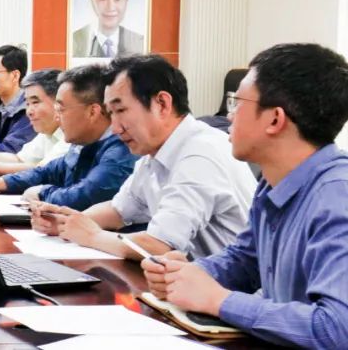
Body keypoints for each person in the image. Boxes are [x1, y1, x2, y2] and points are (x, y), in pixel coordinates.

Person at [142, 43, 348, 348]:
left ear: (275, 119)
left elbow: (336, 329)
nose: (229, 115)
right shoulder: (274, 179)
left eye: (237, 103)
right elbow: (245, 260)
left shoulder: (337, 195)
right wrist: (186, 274)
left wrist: (219, 301)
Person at [32, 55, 255, 260]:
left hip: (228, 286)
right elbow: (119, 210)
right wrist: (69, 223)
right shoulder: (156, 152)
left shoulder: (199, 155)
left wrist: (91, 235)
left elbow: (159, 245)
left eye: (121, 111)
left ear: (162, 104)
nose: (115, 128)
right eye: (110, 113)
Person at [0, 64, 136, 210]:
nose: (57, 117)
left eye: (61, 109)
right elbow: (47, 171)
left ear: (93, 112)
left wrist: (43, 192)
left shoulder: (121, 149)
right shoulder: (83, 142)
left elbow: (87, 194)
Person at [71, 0, 145, 58]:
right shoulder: (74, 41)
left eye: (117, 0)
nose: (110, 7)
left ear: (126, 2)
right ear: (92, 2)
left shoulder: (140, 42)